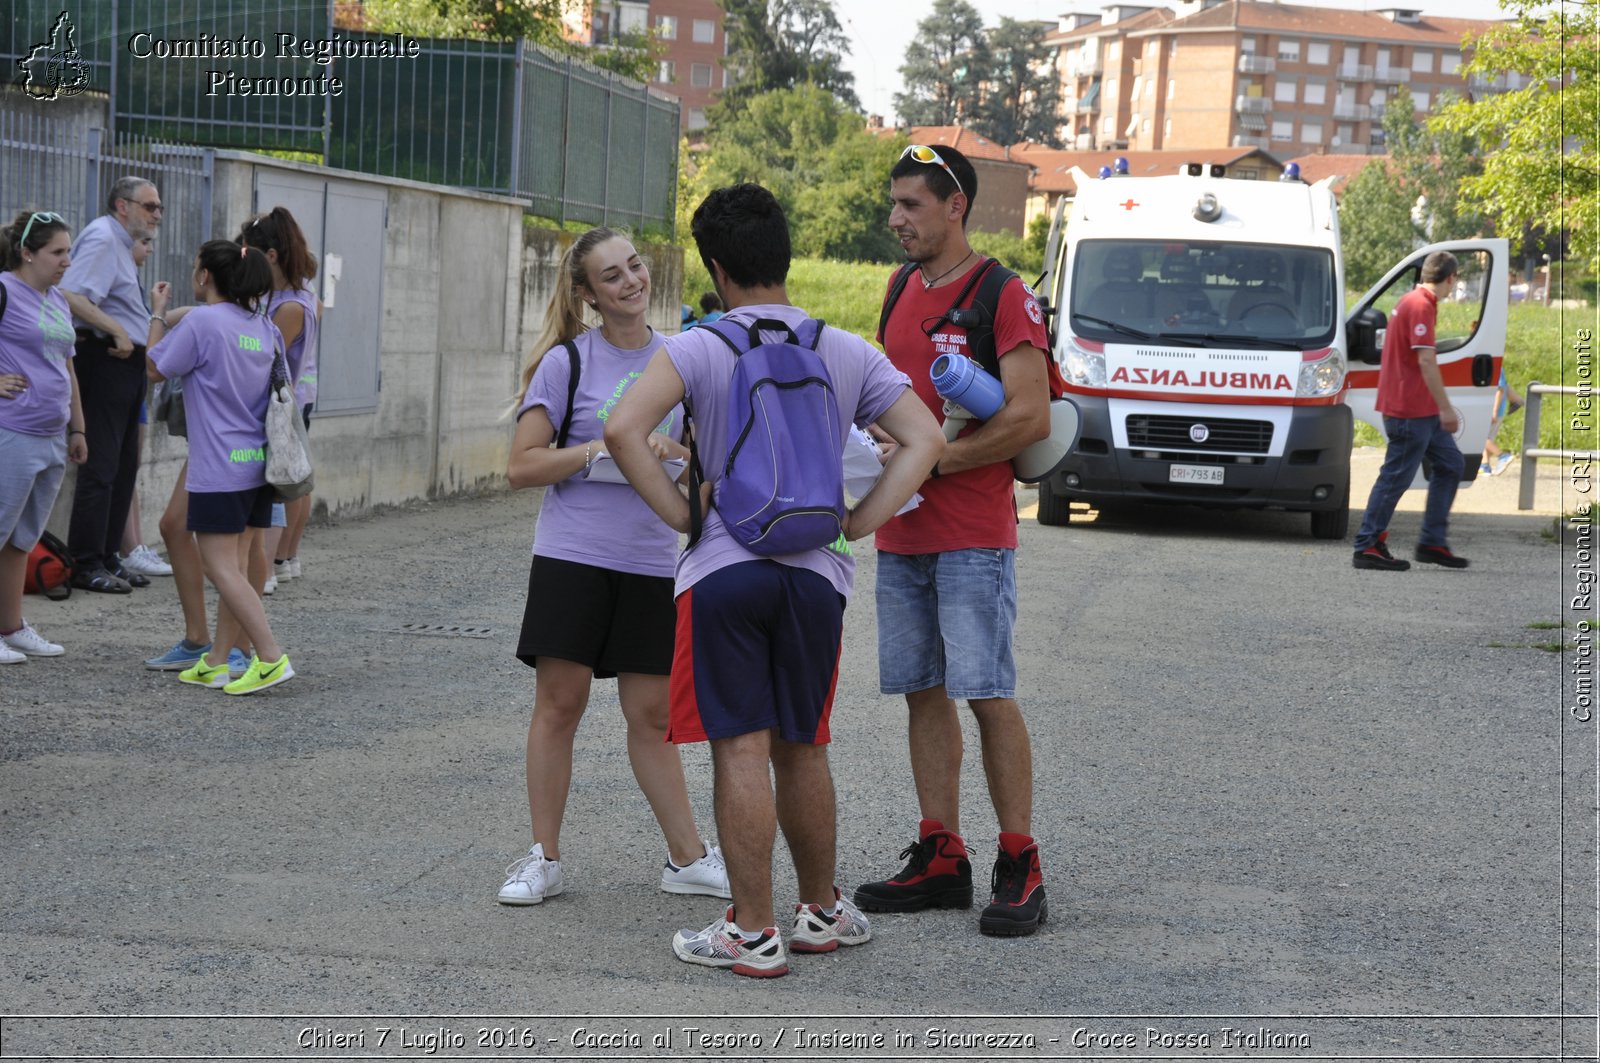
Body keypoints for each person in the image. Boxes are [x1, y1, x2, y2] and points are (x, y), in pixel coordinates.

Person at [605, 184, 943, 978]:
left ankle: (751, 930)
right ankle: (820, 909)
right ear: (784, 256)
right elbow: (923, 437)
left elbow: (622, 428)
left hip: (725, 569)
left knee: (740, 750)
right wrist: (860, 521)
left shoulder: (697, 347)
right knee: (804, 746)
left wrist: (681, 516)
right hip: (815, 575)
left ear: (717, 267)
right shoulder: (845, 347)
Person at [854, 144, 1055, 938]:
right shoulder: (900, 287)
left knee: (986, 689)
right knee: (921, 689)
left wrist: (933, 461)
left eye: (910, 204)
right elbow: (886, 398)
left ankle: (1019, 859)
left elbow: (1032, 416)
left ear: (954, 207)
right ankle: (942, 851)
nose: (896, 218)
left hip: (972, 534)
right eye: (895, 203)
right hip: (903, 534)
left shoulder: (1004, 294)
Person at [496, 225, 729, 908]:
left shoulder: (684, 357)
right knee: (559, 704)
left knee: (653, 712)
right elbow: (521, 465)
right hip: (573, 556)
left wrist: (676, 454)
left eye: (635, 267)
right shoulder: (566, 362)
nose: (631, 281)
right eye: (613, 275)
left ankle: (686, 857)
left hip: (652, 558)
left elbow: (709, 462)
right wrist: (602, 447)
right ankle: (544, 856)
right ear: (588, 294)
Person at [146, 240, 294, 694]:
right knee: (236, 563)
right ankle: (216, 660)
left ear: (205, 276)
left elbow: (154, 368)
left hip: (218, 467)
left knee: (220, 568)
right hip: (259, 467)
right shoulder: (264, 328)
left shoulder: (204, 321)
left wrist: (157, 314)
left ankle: (270, 658)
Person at [58, 176, 163, 593]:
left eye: (158, 207)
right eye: (149, 206)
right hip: (104, 359)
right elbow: (71, 295)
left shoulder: (119, 243)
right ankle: (85, 562)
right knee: (101, 467)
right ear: (123, 206)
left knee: (122, 468)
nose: (156, 214)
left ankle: (106, 556)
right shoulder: (103, 237)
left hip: (126, 363)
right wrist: (117, 330)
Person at [0, 211, 87, 664]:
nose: (66, 260)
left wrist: (78, 427)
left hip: (52, 436)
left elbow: (67, 368)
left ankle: (12, 626)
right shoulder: (4, 290)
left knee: (22, 538)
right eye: (57, 252)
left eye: (69, 251)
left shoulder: (57, 300)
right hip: (10, 431)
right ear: (27, 253)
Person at [1352, 251, 1469, 571]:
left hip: (1421, 410)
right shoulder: (1419, 305)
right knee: (1395, 477)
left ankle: (1432, 542)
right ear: (1450, 278)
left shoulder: (1416, 302)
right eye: (1455, 280)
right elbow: (1426, 359)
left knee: (1450, 464)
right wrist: (1446, 409)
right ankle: (1368, 545)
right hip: (1408, 411)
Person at [240, 208, 321, 587]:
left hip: (282, 401)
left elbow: (267, 355)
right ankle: (284, 558)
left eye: (249, 252)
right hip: (295, 395)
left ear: (270, 255)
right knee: (291, 473)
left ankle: (271, 563)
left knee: (281, 479)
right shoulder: (296, 296)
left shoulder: (289, 306)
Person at [118, 232, 174, 579]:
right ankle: (127, 547)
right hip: (126, 380)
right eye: (144, 241)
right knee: (122, 469)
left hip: (134, 385)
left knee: (130, 469)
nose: (150, 248)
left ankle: (134, 546)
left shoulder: (132, 280)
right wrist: (158, 313)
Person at [1480, 369, 1523, 476]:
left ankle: (1503, 456)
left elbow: (1500, 389)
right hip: (1494, 409)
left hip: (1493, 409)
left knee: (1480, 437)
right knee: (1489, 438)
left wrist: (1494, 411)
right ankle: (1485, 466)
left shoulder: (1495, 366)